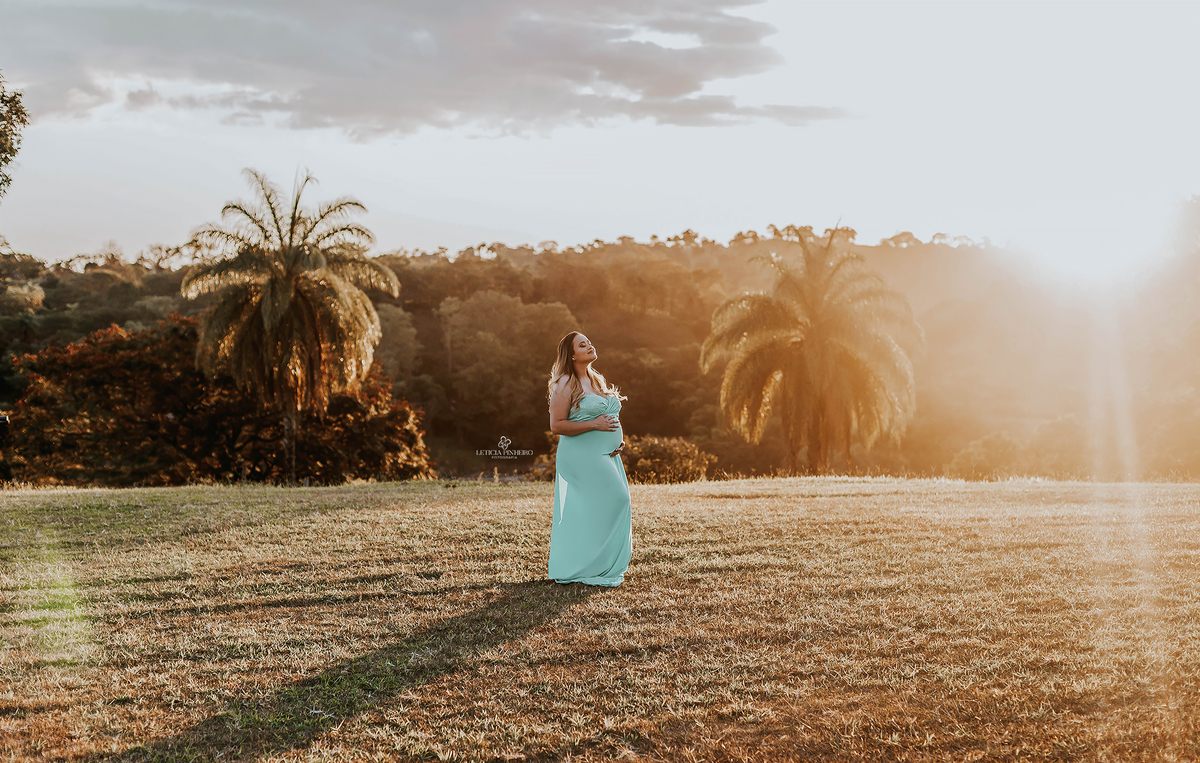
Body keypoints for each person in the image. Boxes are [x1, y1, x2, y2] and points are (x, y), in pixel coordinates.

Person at [545, 331, 632, 586]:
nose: (589, 346)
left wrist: (616, 440)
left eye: (589, 342)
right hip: (581, 455)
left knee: (598, 508)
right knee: (618, 499)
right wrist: (595, 425)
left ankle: (597, 564)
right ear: (572, 355)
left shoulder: (595, 379)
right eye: (582, 345)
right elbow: (557, 425)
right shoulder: (565, 383)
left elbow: (608, 419)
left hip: (606, 455)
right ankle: (593, 564)